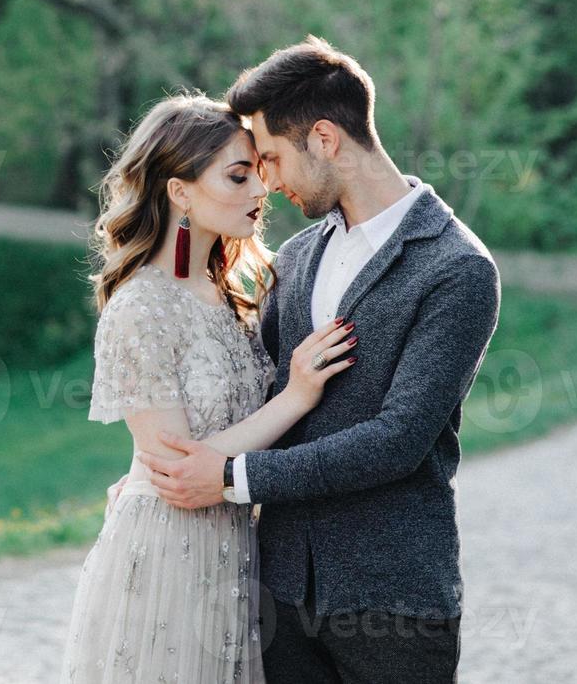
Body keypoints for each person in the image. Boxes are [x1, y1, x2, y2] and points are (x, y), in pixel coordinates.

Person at [133, 37, 501, 683]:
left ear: (325, 139)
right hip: (276, 593)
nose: (266, 181)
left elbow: (397, 442)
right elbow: (263, 400)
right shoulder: (296, 258)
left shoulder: (456, 269)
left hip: (390, 598)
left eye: (270, 158)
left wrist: (229, 478)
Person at [61, 92, 359, 682]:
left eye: (259, 172)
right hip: (171, 548)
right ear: (180, 192)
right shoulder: (140, 307)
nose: (260, 191)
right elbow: (176, 467)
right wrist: (296, 395)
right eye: (238, 176)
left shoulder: (233, 295)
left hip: (238, 548)